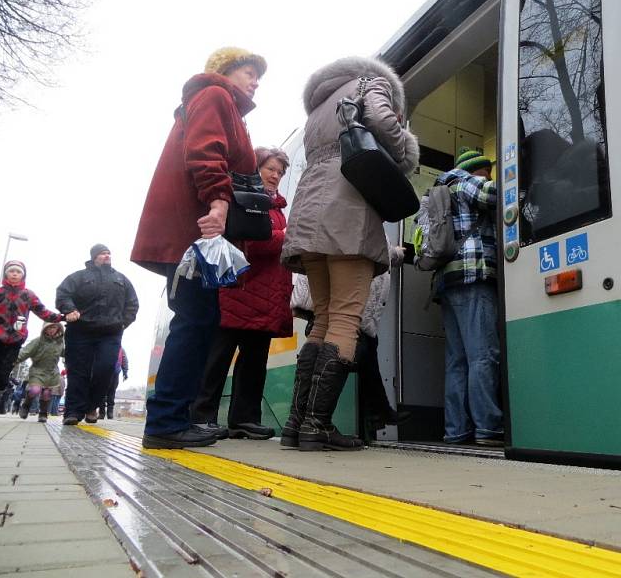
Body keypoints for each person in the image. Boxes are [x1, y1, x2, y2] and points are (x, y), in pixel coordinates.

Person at [281, 56, 419, 451]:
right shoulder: (369, 84)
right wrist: (404, 148)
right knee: (345, 318)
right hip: (347, 208)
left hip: (308, 211)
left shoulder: (317, 110)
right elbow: (381, 119)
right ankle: (318, 425)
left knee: (322, 319)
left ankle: (296, 423)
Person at [131, 46, 266, 449]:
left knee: (200, 320)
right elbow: (207, 153)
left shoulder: (221, 103)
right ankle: (167, 423)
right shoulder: (215, 94)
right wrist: (219, 203)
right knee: (194, 321)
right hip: (195, 230)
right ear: (225, 71)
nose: (255, 80)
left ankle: (177, 417)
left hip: (192, 230)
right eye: (249, 71)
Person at [191, 146, 293, 440]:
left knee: (254, 361)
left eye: (280, 172)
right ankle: (202, 416)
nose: (275, 176)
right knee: (218, 358)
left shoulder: (276, 208)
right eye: (270, 169)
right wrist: (286, 238)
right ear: (256, 168)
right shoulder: (243, 198)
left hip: (266, 295)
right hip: (239, 290)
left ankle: (244, 419)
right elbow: (253, 242)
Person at [290, 244, 410, 443]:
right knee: (352, 339)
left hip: (315, 252)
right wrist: (396, 252)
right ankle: (317, 424)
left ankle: (296, 423)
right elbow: (364, 236)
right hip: (342, 263)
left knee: (327, 332)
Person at [435, 148, 503, 446]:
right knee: (483, 355)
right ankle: (488, 426)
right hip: (473, 276)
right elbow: (502, 194)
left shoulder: (442, 190)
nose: (488, 176)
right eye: (487, 171)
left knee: (457, 361)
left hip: (447, 283)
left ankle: (456, 429)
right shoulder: (466, 182)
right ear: (478, 169)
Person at [56, 245, 139, 426]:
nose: (107, 255)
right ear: (94, 257)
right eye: (103, 253)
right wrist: (69, 310)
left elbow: (132, 303)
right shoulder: (78, 277)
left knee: (105, 369)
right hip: (80, 331)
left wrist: (123, 322)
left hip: (110, 333)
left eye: (109, 252)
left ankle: (91, 406)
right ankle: (73, 411)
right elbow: (63, 294)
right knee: (78, 371)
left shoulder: (121, 279)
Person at [0, 261, 65, 406]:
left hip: (15, 340)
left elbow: (43, 312)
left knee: (3, 374)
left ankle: (0, 390)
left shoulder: (28, 295)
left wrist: (61, 317)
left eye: (18, 272)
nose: (14, 274)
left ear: (23, 275)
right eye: (11, 271)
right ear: (6, 274)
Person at [16, 322, 64, 423]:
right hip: (38, 370)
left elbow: (67, 353)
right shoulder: (38, 341)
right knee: (35, 390)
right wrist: (13, 361)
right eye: (49, 327)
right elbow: (25, 352)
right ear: (44, 329)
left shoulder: (60, 342)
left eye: (54, 327)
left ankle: (43, 413)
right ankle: (26, 405)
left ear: (58, 329)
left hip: (52, 372)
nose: (51, 329)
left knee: (47, 393)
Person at [99, 347, 128, 419]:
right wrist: (125, 372)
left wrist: (125, 371)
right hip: (110, 373)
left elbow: (124, 360)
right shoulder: (120, 348)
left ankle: (105, 413)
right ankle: (108, 413)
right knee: (109, 394)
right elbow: (124, 360)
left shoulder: (119, 349)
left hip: (109, 373)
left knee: (105, 394)